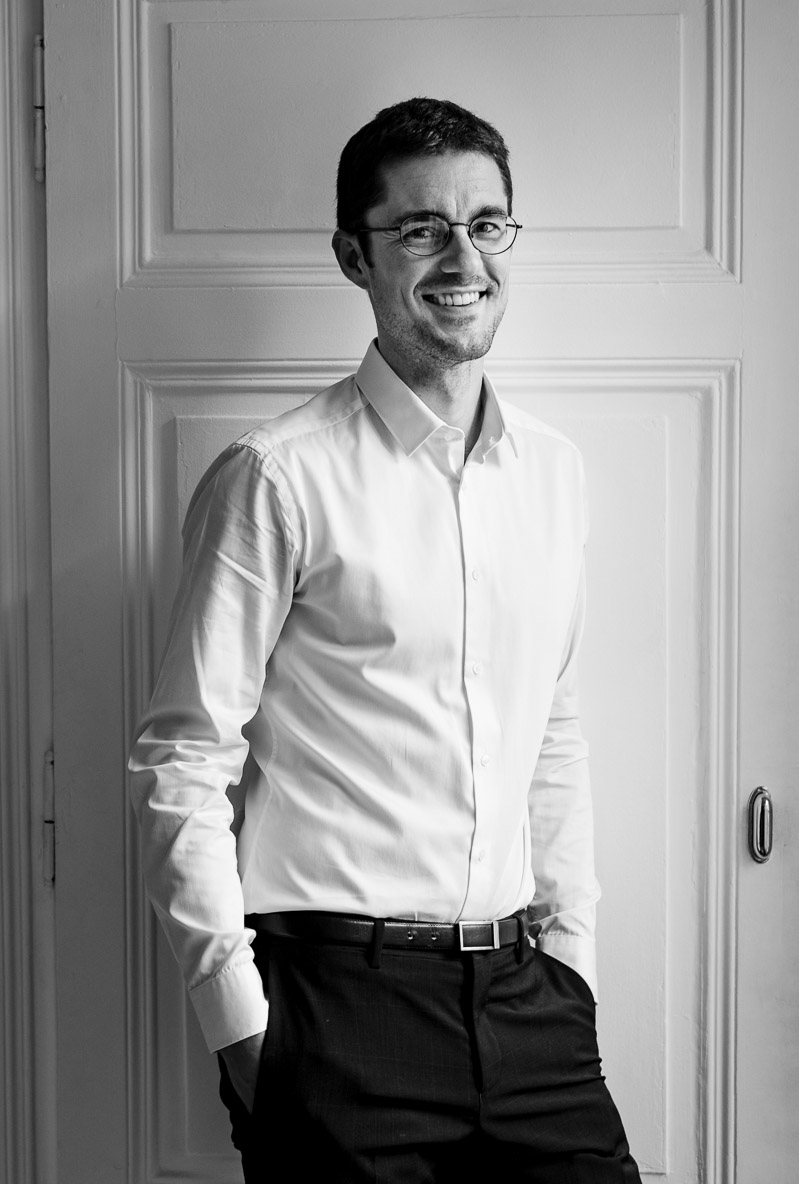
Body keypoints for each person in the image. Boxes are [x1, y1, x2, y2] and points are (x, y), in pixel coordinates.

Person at [129, 96, 641, 1182]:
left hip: (528, 1006)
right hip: (335, 1011)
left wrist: (573, 968)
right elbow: (183, 761)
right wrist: (242, 1030)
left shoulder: (553, 474)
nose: (461, 257)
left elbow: (551, 730)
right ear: (351, 257)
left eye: (485, 223)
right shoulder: (275, 476)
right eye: (418, 228)